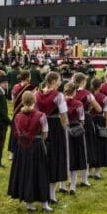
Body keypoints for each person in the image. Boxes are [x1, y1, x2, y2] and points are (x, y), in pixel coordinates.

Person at [7, 91, 51, 212]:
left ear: (22, 101)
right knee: (40, 173)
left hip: (22, 148)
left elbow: (16, 133)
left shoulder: (17, 116)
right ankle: (45, 204)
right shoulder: (41, 115)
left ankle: (29, 204)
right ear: (34, 101)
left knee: (26, 172)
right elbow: (45, 134)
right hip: (36, 146)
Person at [35, 71, 68, 205]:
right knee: (55, 159)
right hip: (54, 127)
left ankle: (43, 193)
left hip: (40, 126)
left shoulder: (37, 94)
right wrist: (65, 128)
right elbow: (63, 115)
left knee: (43, 158)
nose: (60, 82)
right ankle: (52, 195)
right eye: (59, 80)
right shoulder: (58, 96)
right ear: (53, 81)